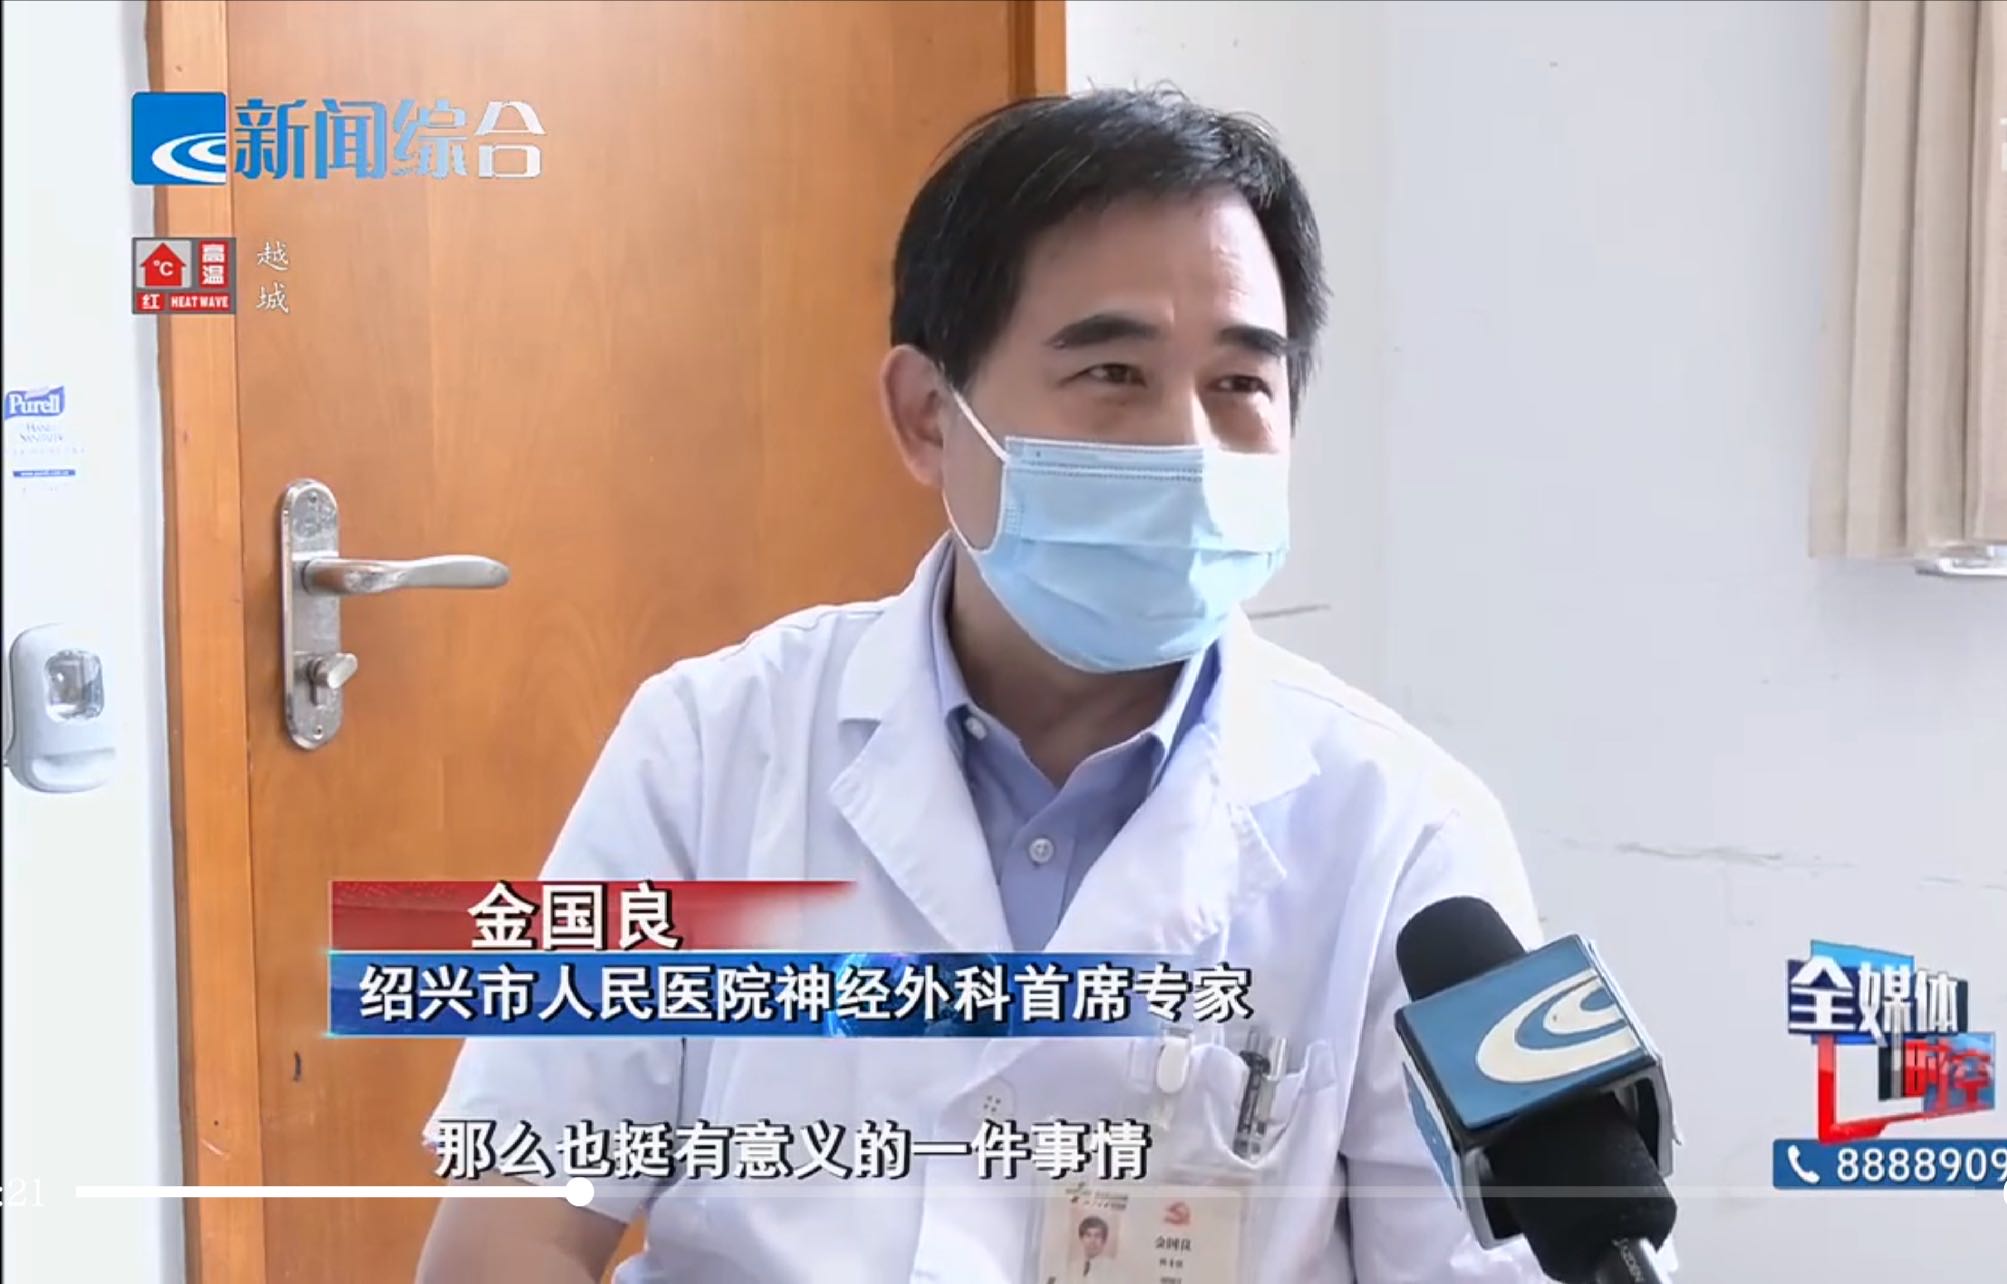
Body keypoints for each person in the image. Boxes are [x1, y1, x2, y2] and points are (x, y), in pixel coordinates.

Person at [417, 87, 1551, 1284]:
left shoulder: (1406, 832)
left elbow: (1509, 1264)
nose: (1187, 446)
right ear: (926, 416)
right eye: (1114, 371)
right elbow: (514, 1229)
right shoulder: (708, 748)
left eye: (1238, 386)